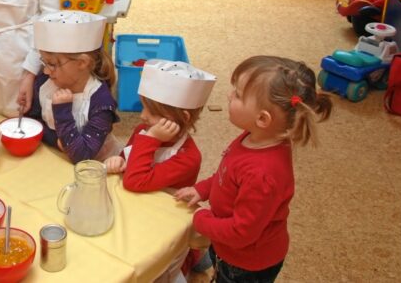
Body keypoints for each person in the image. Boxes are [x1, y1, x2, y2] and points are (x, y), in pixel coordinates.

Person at [174, 55, 333, 283]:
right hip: (227, 248)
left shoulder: (263, 174)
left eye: (237, 94)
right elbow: (225, 175)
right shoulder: (255, 137)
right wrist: (202, 190)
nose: (229, 96)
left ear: (262, 118)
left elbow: (241, 233)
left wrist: (201, 219)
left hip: (246, 263)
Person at [105, 60, 216, 193]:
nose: (142, 116)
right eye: (143, 107)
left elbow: (135, 182)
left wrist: (151, 138)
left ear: (184, 117)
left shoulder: (188, 158)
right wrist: (118, 161)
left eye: (153, 112)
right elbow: (128, 160)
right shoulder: (142, 130)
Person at [25, 11, 121, 163]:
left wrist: (62, 111)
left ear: (82, 63)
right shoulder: (45, 82)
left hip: (98, 168)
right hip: (58, 159)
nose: (45, 70)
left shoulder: (101, 103)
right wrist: (57, 141)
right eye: (44, 62)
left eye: (52, 64)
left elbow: (82, 155)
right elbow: (33, 122)